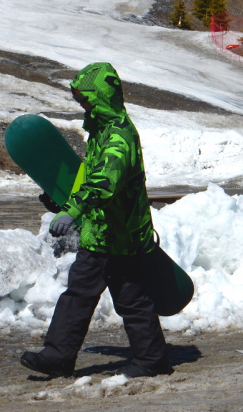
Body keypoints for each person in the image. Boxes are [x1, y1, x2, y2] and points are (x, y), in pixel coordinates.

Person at [20, 62, 169, 378]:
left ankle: (152, 359)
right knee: (79, 293)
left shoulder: (119, 137)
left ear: (101, 97)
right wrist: (61, 199)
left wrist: (73, 210)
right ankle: (58, 356)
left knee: (131, 299)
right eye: (79, 99)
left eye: (86, 98)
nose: (83, 104)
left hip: (121, 234)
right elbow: (87, 175)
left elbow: (104, 184)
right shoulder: (101, 131)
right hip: (100, 232)